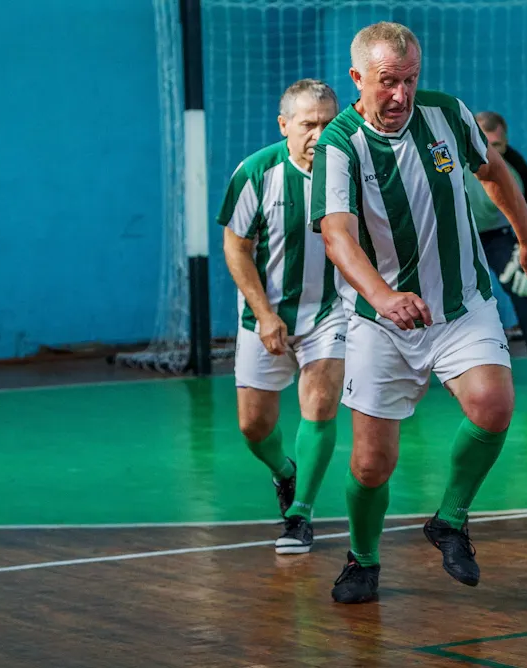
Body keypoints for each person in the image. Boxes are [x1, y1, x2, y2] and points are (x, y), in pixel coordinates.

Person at [311, 22, 527, 605]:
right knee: (372, 463)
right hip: (382, 320)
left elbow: (494, 172)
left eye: (409, 79)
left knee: (494, 404)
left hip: (461, 302)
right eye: (386, 83)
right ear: (356, 79)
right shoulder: (338, 144)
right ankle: (363, 558)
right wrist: (382, 297)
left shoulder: (447, 115)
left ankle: (450, 520)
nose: (400, 94)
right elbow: (336, 236)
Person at [216, 78, 343, 555]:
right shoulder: (255, 172)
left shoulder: (352, 168)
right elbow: (236, 247)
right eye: (308, 124)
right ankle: (285, 473)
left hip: (333, 311)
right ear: (284, 124)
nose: (319, 134)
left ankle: (300, 515)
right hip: (265, 316)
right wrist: (264, 314)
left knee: (320, 403)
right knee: (253, 426)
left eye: (328, 123)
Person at [464, 110, 527, 386]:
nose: (493, 153)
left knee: (525, 287)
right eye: (487, 146)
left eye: (499, 146)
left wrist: (524, 248)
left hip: (499, 235)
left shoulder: (514, 163)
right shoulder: (450, 160)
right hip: (458, 235)